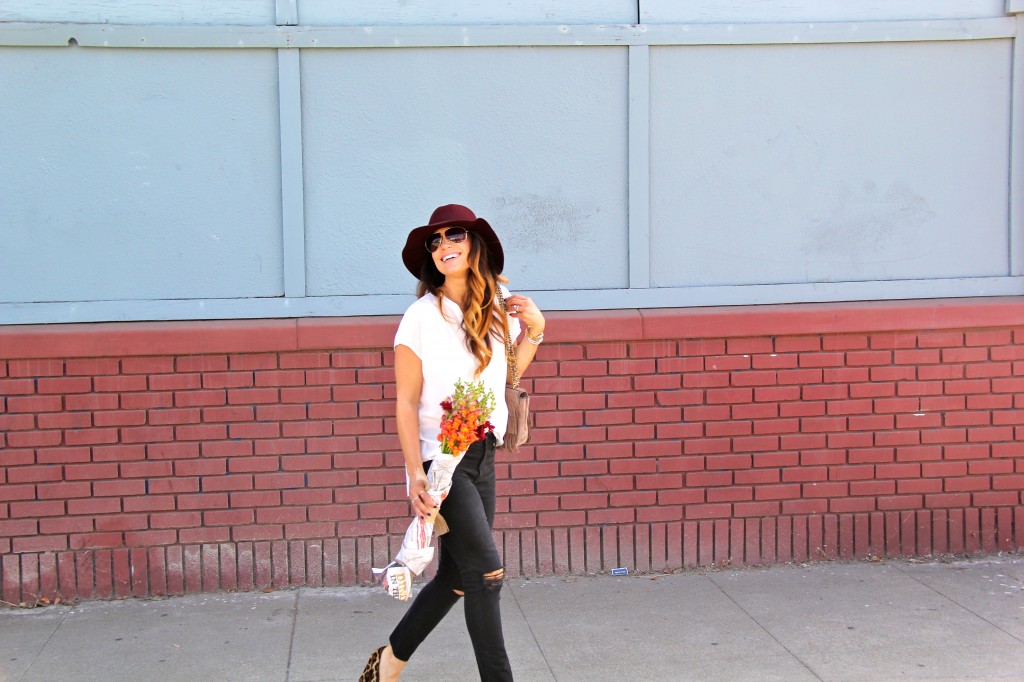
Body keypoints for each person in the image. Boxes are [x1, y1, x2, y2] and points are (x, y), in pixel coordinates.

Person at [360, 204, 545, 682]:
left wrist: (536, 331)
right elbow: (405, 402)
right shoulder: (419, 316)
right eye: (435, 241)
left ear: (474, 243)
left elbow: (508, 375)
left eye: (454, 235)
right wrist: (415, 475)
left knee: (456, 578)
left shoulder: (496, 308)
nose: (445, 246)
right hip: (440, 461)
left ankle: (389, 662)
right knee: (486, 574)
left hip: (481, 453)